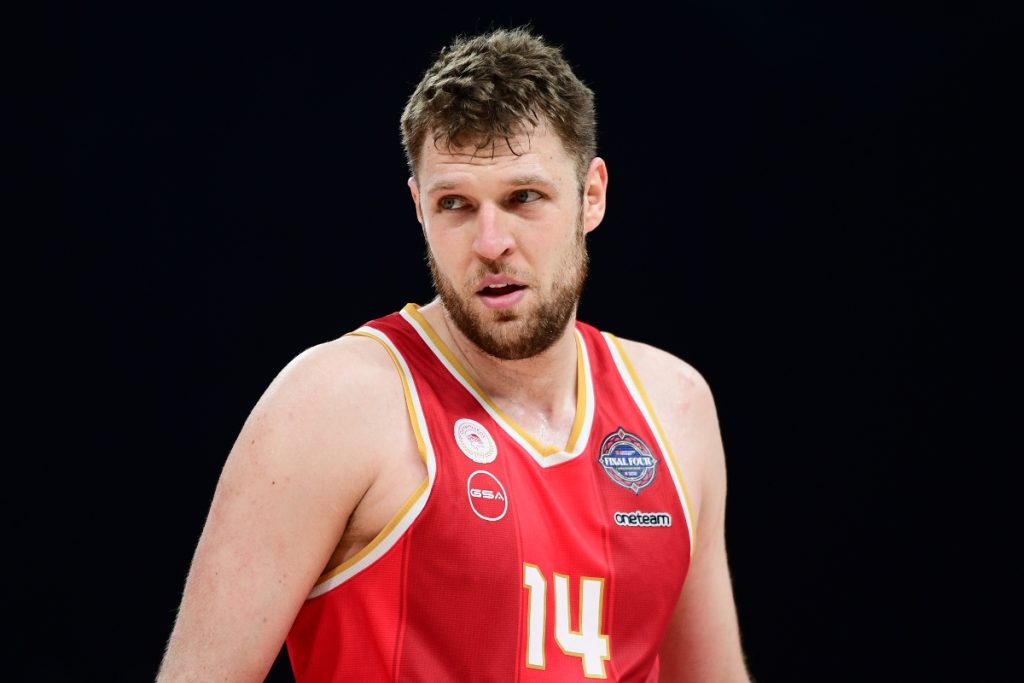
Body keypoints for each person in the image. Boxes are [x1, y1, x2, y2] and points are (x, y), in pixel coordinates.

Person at [156, 25, 751, 682]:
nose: (490, 242)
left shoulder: (674, 406)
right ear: (418, 207)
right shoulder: (333, 405)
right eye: (456, 205)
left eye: (524, 198)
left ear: (592, 196)